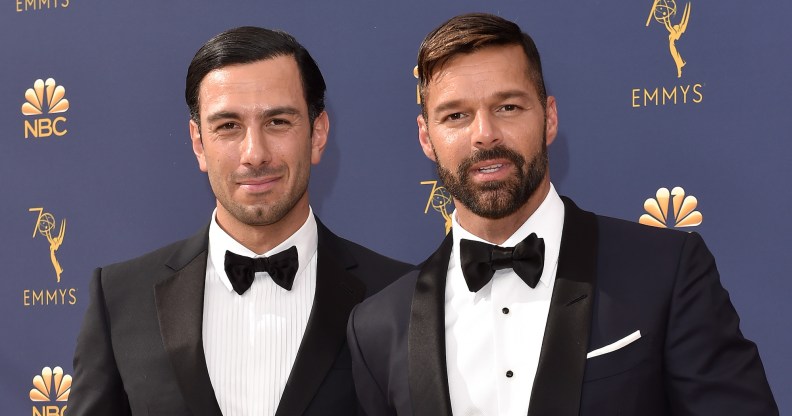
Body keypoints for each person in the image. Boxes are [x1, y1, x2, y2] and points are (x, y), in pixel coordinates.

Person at [347, 13, 778, 416]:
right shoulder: (379, 326)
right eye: (456, 115)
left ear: (549, 118)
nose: (484, 134)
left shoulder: (665, 272)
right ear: (427, 137)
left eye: (508, 107)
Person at [68, 26, 412, 416]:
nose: (254, 154)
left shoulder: (398, 294)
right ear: (199, 143)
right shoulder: (120, 299)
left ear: (317, 134)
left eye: (278, 122)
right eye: (228, 126)